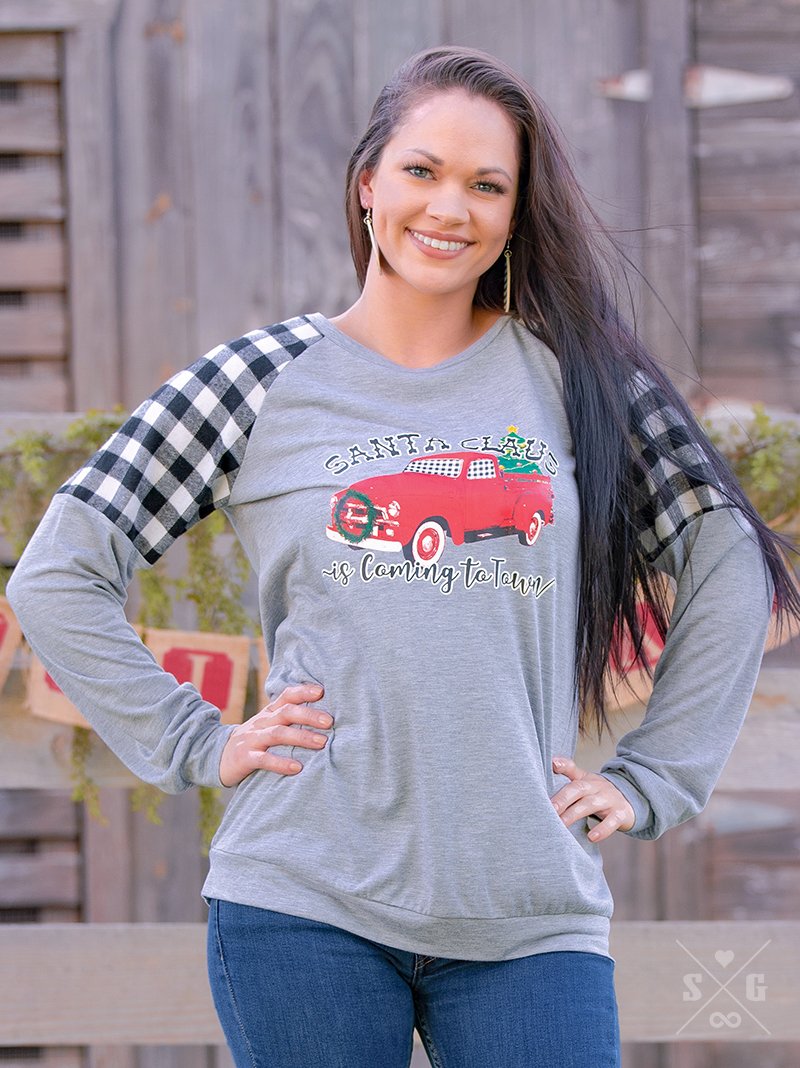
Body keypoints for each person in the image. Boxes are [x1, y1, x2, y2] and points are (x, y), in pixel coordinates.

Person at [7, 45, 799, 1068]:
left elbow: (728, 556)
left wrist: (655, 778)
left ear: (514, 214)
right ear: (368, 183)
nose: (448, 207)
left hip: (528, 914)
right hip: (304, 901)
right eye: (422, 170)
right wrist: (196, 741)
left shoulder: (579, 383)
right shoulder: (256, 380)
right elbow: (59, 573)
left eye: (486, 185)